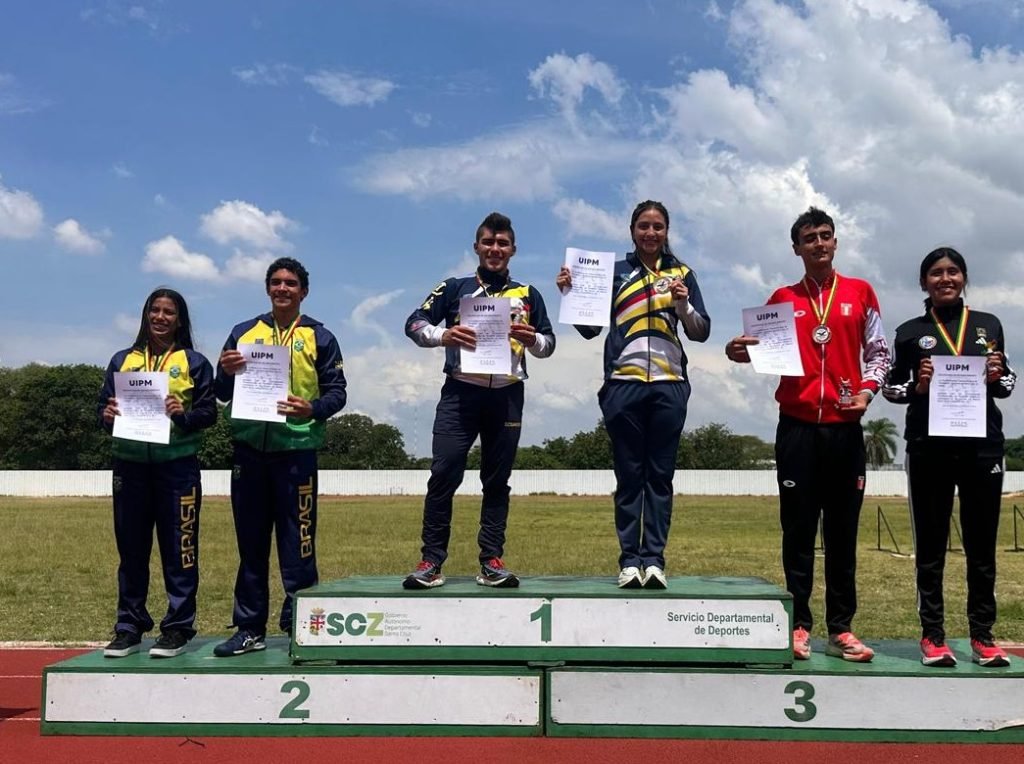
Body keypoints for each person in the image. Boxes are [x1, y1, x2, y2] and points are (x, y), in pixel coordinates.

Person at [725, 206, 890, 662]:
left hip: (844, 428)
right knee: (797, 529)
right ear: (796, 248)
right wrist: (737, 351)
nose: (819, 243)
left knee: (842, 531)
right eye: (809, 238)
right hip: (797, 426)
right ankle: (799, 624)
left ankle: (842, 628)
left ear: (835, 242)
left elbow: (879, 352)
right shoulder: (783, 297)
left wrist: (868, 391)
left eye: (825, 235)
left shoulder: (860, 293)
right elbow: (755, 349)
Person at [556, 200, 710, 589]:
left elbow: (701, 330)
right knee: (629, 476)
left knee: (659, 476)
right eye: (644, 226)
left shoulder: (683, 273)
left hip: (669, 383)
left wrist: (683, 303)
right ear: (632, 231)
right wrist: (571, 296)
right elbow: (590, 330)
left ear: (667, 231)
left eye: (658, 226)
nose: (651, 233)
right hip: (622, 384)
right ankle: (629, 561)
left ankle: (654, 560)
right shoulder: (614, 272)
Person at [403, 212, 555, 589]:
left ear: (513, 250)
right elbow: (414, 323)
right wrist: (444, 335)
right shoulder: (454, 287)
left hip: (507, 394)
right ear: (477, 247)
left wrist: (532, 337)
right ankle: (431, 561)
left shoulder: (529, 293)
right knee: (444, 473)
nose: (495, 249)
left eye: (502, 243)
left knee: (497, 481)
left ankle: (491, 560)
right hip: (460, 393)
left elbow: (549, 345)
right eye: (488, 242)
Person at [883, 247, 1015, 668]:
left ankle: (982, 636)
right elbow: (892, 388)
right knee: (932, 546)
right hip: (929, 448)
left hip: (982, 448)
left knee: (982, 548)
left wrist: (996, 376)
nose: (945, 279)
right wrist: (917, 387)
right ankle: (933, 636)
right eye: (936, 273)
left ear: (964, 278)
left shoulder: (988, 325)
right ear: (923, 282)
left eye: (953, 272)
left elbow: (1007, 383)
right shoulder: (908, 332)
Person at [213, 257, 347, 656]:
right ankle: (249, 628)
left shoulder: (320, 336)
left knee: (299, 543)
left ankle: (300, 626)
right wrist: (226, 370)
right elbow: (220, 391)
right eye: (276, 282)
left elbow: (338, 392)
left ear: (303, 291)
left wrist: (313, 409)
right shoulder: (243, 332)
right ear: (267, 288)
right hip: (249, 451)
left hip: (297, 453)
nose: (282, 289)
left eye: (291, 283)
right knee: (251, 545)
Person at [98, 288, 216, 659]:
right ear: (146, 315)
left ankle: (178, 627)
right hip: (129, 467)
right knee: (131, 551)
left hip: (176, 468)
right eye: (155, 310)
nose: (161, 317)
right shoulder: (123, 359)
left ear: (179, 319)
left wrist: (182, 413)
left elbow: (209, 414)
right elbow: (102, 408)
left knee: (179, 550)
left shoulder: (194, 362)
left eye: (169, 312)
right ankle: (129, 626)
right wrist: (106, 415)